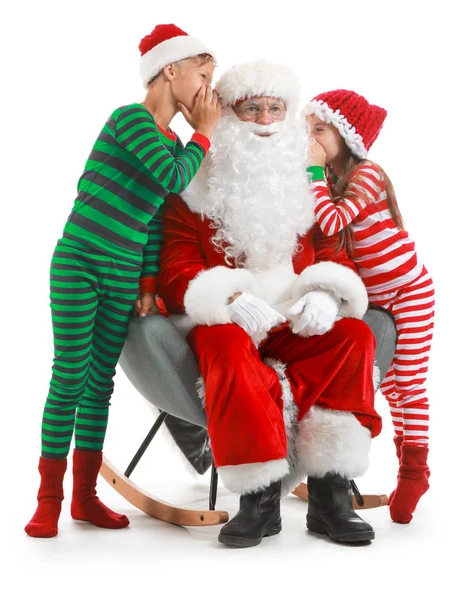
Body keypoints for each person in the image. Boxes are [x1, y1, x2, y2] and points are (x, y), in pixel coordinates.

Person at [156, 60, 383, 548]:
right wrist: (230, 298)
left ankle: (330, 494)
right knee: (224, 346)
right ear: (230, 116)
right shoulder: (193, 184)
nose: (264, 120)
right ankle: (258, 499)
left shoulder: (305, 181)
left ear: (289, 115)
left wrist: (324, 291)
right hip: (230, 322)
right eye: (251, 108)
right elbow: (175, 265)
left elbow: (332, 251)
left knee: (354, 336)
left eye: (275, 108)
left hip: (292, 320)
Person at [25, 23, 222, 538]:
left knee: (99, 384)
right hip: (80, 261)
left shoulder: (177, 142)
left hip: (123, 273)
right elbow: (173, 177)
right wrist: (205, 132)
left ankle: (85, 498)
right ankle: (49, 498)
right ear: (170, 70)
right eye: (202, 75)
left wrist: (148, 283)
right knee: (69, 372)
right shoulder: (131, 120)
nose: (207, 90)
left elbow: (158, 215)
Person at [305, 89, 434, 524]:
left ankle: (415, 470)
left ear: (345, 135)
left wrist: (309, 170)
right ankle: (401, 465)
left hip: (410, 291)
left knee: (409, 384)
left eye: (319, 129)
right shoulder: (330, 179)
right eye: (307, 129)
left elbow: (333, 220)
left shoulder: (367, 175)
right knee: (390, 386)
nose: (311, 137)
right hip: (377, 300)